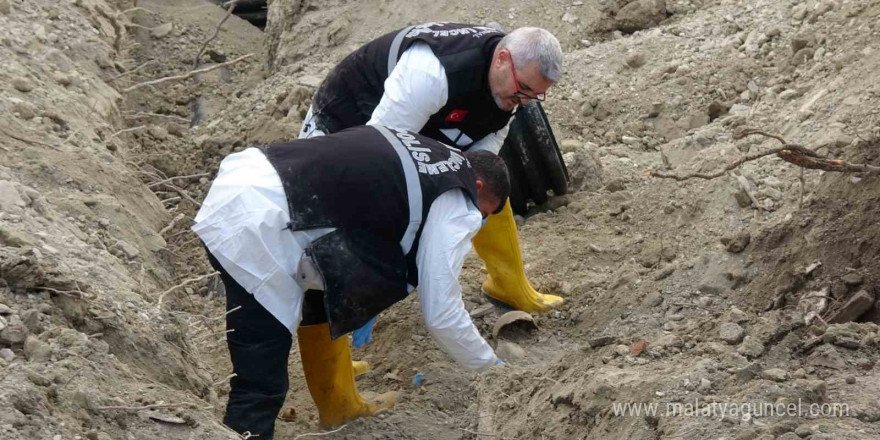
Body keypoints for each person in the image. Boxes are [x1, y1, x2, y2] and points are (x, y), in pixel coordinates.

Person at [192, 125, 510, 438]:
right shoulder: (458, 200)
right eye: (485, 213)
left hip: (251, 177)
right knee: (261, 384)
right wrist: (492, 369)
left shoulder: (431, 152)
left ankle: (338, 406)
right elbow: (442, 314)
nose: (478, 221)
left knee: (317, 304)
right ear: (478, 186)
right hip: (259, 228)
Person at [300, 22, 565, 318]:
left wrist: (466, 187)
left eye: (534, 96)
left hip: (423, 119)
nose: (525, 101)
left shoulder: (510, 85)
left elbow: (483, 160)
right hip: (346, 119)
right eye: (523, 91)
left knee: (485, 186)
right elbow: (376, 157)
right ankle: (332, 362)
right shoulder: (432, 73)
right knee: (326, 234)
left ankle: (509, 286)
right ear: (502, 59)